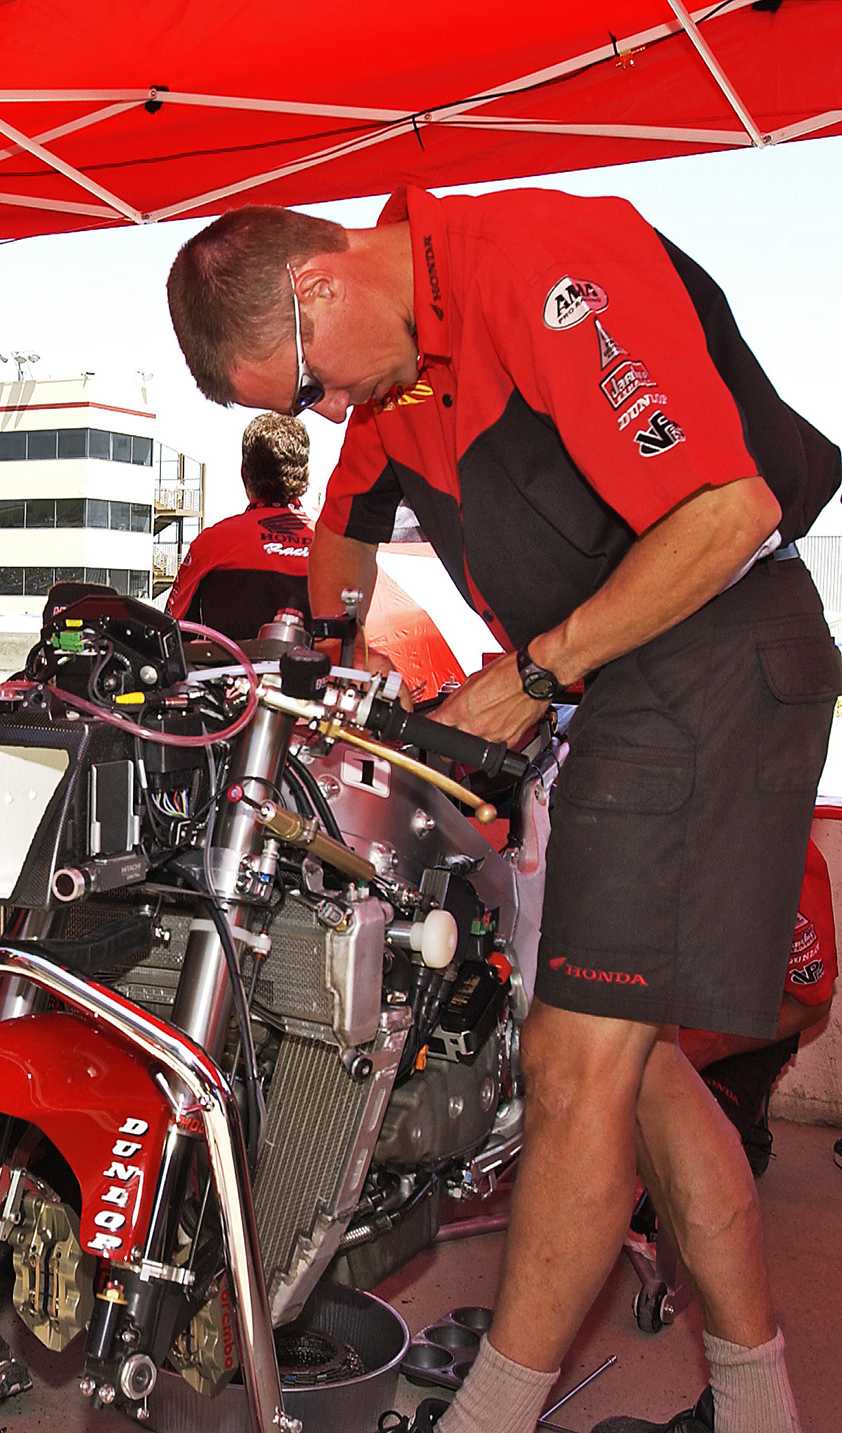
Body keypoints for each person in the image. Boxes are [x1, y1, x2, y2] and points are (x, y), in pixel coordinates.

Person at [167, 192, 839, 1433]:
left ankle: (490, 1417)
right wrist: (320, 657)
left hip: (704, 646)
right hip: (613, 682)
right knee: (632, 1073)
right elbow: (344, 536)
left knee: (571, 1063)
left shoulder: (541, 264)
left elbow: (727, 510)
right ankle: (756, 1403)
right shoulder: (398, 379)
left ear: (319, 285)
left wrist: (532, 675)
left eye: (305, 386)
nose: (324, 415)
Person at [680, 839, 834, 1175]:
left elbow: (812, 1003)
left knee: (694, 1163)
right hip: (656, 1003)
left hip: (744, 1016)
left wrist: (709, 1045)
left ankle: (745, 1109)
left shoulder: (785, 852)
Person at [163, 412, 313, 639]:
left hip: (229, 671)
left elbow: (171, 631)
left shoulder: (212, 544)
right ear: (306, 476)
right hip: (319, 672)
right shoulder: (336, 548)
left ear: (244, 474)